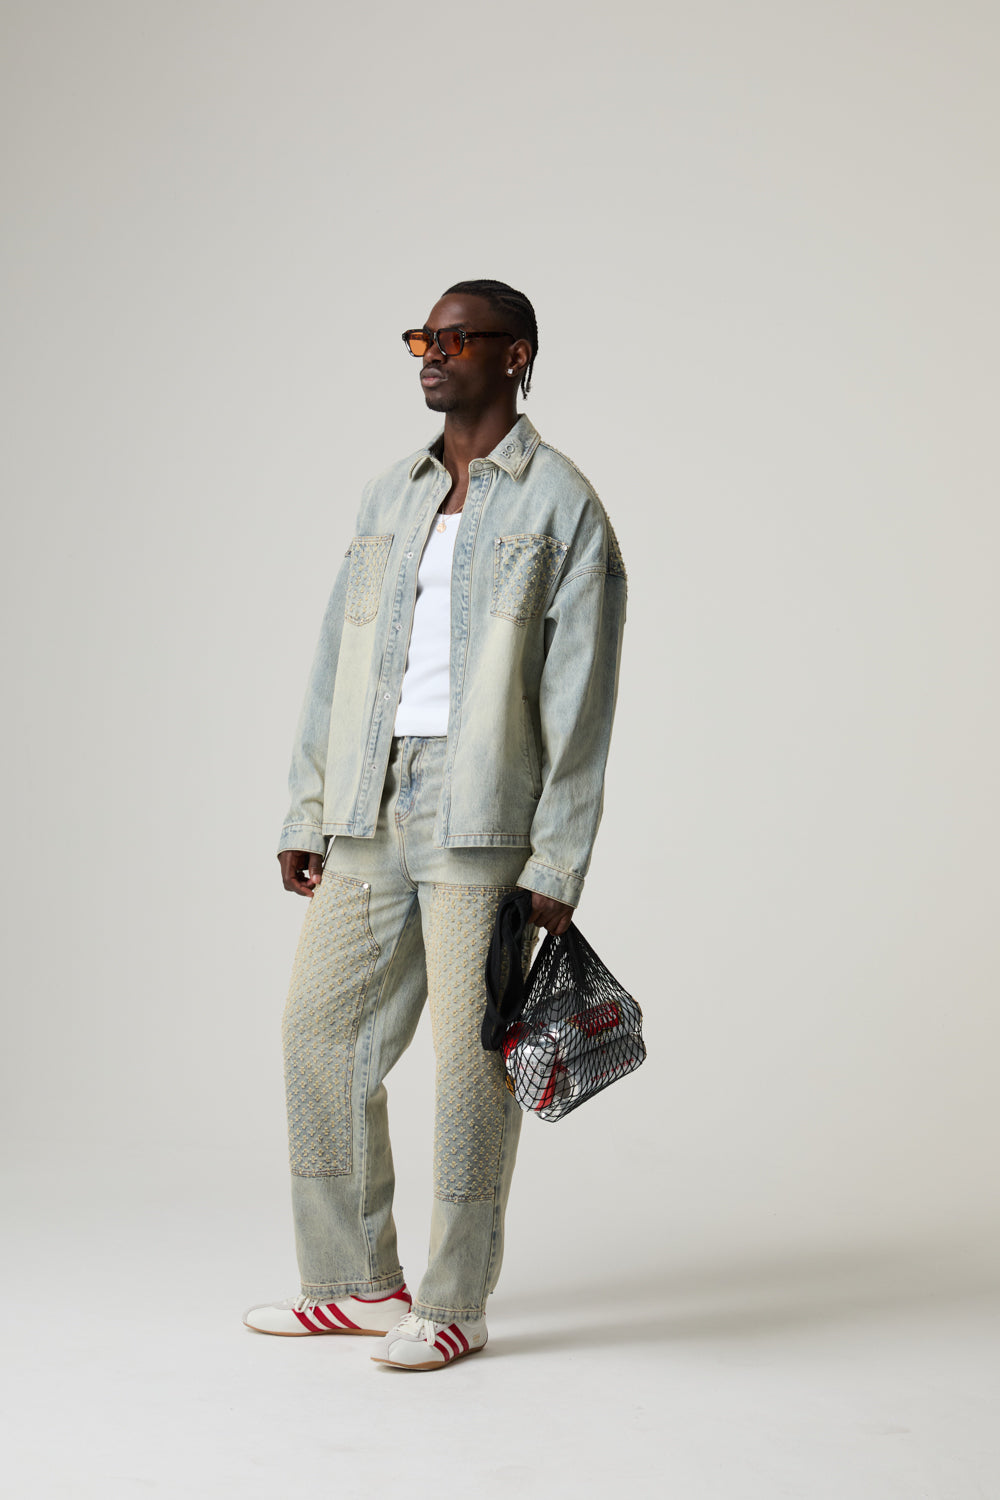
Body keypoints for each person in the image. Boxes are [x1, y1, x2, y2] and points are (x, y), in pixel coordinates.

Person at [243, 279, 628, 1370]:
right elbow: (335, 659)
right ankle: (357, 1281)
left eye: (457, 339)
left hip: (483, 811)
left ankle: (454, 1304)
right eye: (422, 336)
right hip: (369, 800)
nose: (431, 353)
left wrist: (559, 852)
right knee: (319, 1032)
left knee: (470, 1066)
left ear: (515, 357)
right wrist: (309, 804)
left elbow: (581, 696)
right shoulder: (389, 495)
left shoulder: (561, 504)